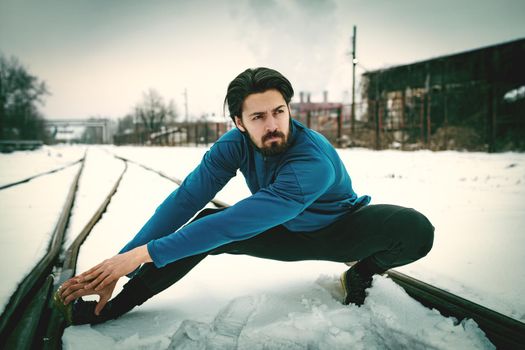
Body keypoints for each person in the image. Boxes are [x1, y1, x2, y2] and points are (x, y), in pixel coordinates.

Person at [55, 67, 434, 326]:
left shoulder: (311, 161)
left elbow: (235, 222)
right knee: (203, 223)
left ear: (289, 109)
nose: (272, 126)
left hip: (339, 230)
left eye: (279, 112)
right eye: (257, 117)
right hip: (285, 231)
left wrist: (143, 255)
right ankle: (113, 308)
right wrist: (125, 262)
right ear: (238, 122)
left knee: (416, 229)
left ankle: (362, 270)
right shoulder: (233, 146)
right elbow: (186, 199)